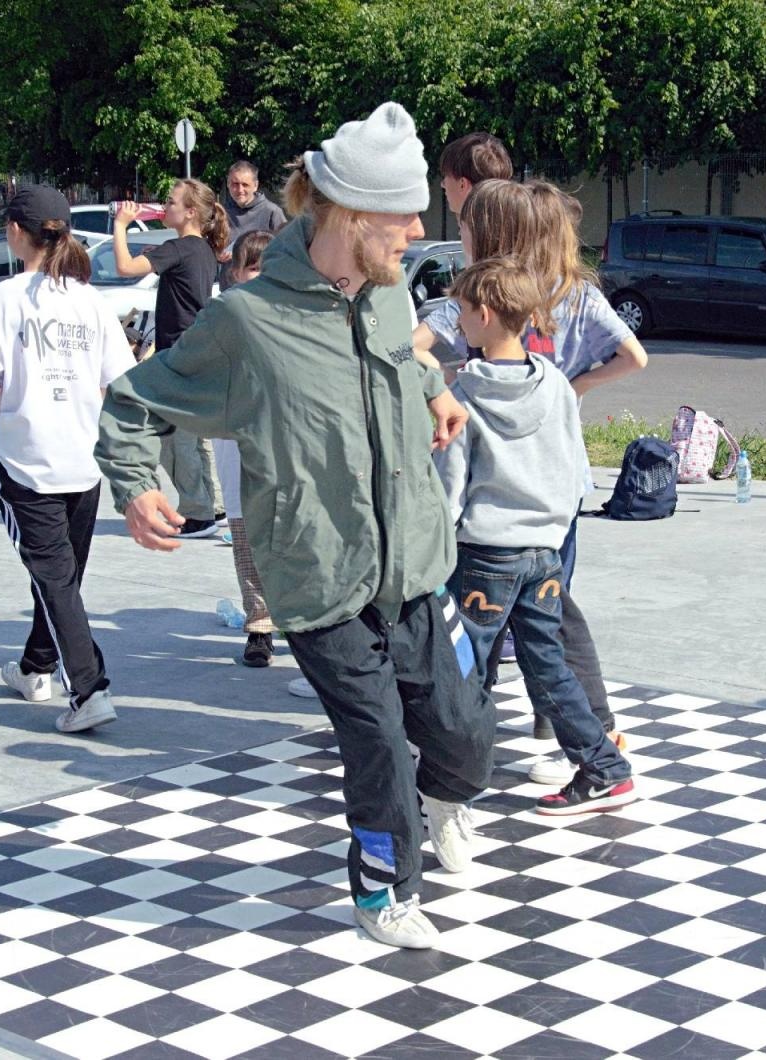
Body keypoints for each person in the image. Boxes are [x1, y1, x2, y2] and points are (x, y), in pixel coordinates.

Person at [96, 102, 488, 951]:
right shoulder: (247, 324)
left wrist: (436, 389)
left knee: (465, 736)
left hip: (416, 564)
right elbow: (133, 402)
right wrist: (134, 486)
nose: (420, 230)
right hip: (319, 579)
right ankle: (384, 889)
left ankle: (442, 800)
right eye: (404, 215)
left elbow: (403, 358)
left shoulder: (386, 299)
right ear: (349, 216)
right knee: (379, 745)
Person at [418, 179, 645, 785]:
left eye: (465, 224)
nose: (456, 232)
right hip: (548, 521)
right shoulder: (553, 356)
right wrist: (577, 392)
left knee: (471, 657)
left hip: (486, 537)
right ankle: (597, 752)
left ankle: (453, 769)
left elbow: (451, 482)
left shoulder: (466, 372)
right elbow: (580, 451)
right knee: (550, 642)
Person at [0, 185, 134, 733]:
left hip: (27, 461)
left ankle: (89, 689)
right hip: (84, 460)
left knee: (56, 580)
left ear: (17, 232)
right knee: (60, 578)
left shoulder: (3, 298)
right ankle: (37, 668)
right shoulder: (92, 301)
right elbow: (118, 385)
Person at [111, 179, 229, 538]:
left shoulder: (178, 248)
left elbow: (126, 268)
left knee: (172, 436)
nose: (165, 206)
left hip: (178, 356)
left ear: (190, 211)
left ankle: (198, 512)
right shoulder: (204, 250)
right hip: (198, 353)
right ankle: (212, 505)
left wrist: (120, 225)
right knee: (194, 435)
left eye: (171, 201)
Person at [210, 231, 278, 666]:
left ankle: (304, 623)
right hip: (236, 438)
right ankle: (259, 626)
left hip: (284, 443)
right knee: (246, 537)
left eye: (266, 265)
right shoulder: (222, 317)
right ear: (236, 272)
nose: (259, 275)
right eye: (251, 266)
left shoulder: (297, 315)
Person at [219, 160, 287, 272]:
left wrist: (244, 254)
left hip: (261, 283)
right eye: (235, 184)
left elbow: (284, 249)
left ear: (255, 186)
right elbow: (212, 246)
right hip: (228, 285)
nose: (240, 190)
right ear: (228, 184)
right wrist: (218, 255)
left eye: (245, 185)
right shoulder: (221, 212)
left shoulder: (272, 212)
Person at [438, 131, 513, 216]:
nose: (442, 184)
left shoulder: (472, 228)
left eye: (446, 176)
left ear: (462, 184)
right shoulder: (514, 224)